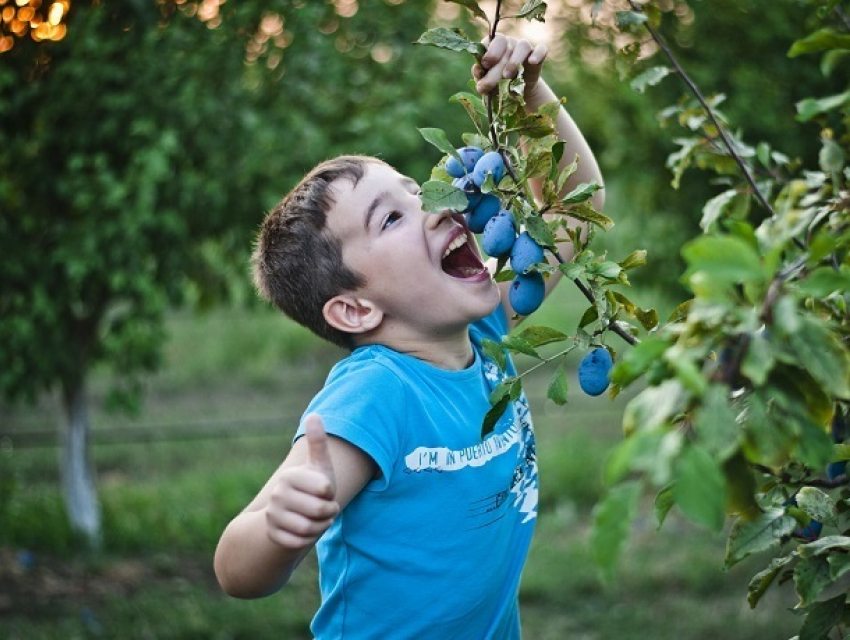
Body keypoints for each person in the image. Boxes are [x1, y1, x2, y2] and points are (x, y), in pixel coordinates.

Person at [214, 34, 604, 639]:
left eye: (415, 190)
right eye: (391, 217)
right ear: (354, 310)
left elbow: (579, 210)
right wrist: (277, 528)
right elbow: (236, 572)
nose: (439, 206)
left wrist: (529, 95)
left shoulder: (486, 327)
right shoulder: (378, 395)